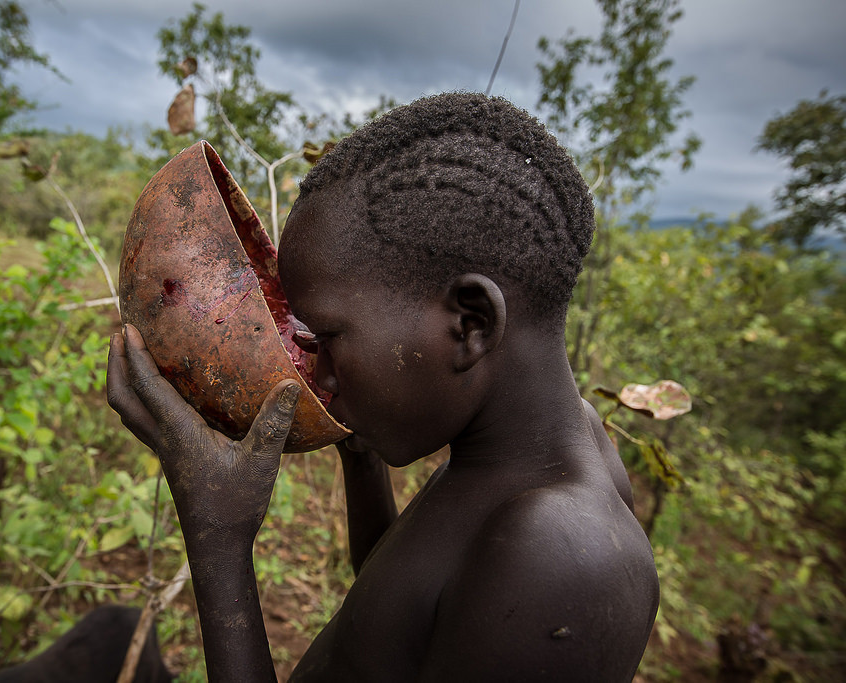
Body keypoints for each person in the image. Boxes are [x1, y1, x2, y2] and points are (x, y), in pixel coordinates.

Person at [107, 91, 659, 681]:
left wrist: (219, 541)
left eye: (328, 337)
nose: (321, 377)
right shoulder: (517, 454)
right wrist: (361, 460)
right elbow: (402, 608)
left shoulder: (562, 561)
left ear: (470, 324)